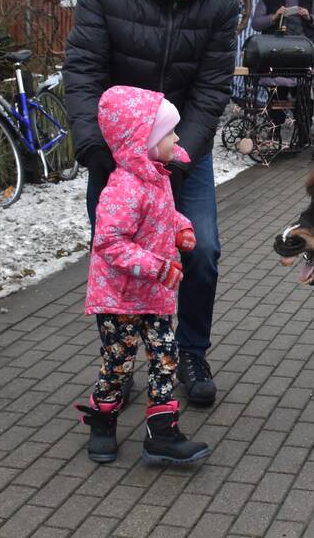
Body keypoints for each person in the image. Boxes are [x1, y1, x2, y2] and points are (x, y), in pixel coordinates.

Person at [64, 0, 240, 408]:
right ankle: (117, 367)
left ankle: (191, 352)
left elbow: (211, 90)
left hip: (182, 148)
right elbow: (82, 71)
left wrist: (182, 154)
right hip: (116, 155)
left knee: (201, 250)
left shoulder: (220, 3)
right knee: (115, 258)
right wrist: (93, 145)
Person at [75, 85, 211, 466]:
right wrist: (158, 267)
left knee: (166, 354)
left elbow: (163, 215)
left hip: (153, 294)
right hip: (120, 295)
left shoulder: (157, 177)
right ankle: (103, 421)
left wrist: (180, 227)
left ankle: (162, 432)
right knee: (118, 360)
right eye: (169, 133)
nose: (177, 138)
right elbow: (109, 243)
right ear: (143, 141)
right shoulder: (122, 189)